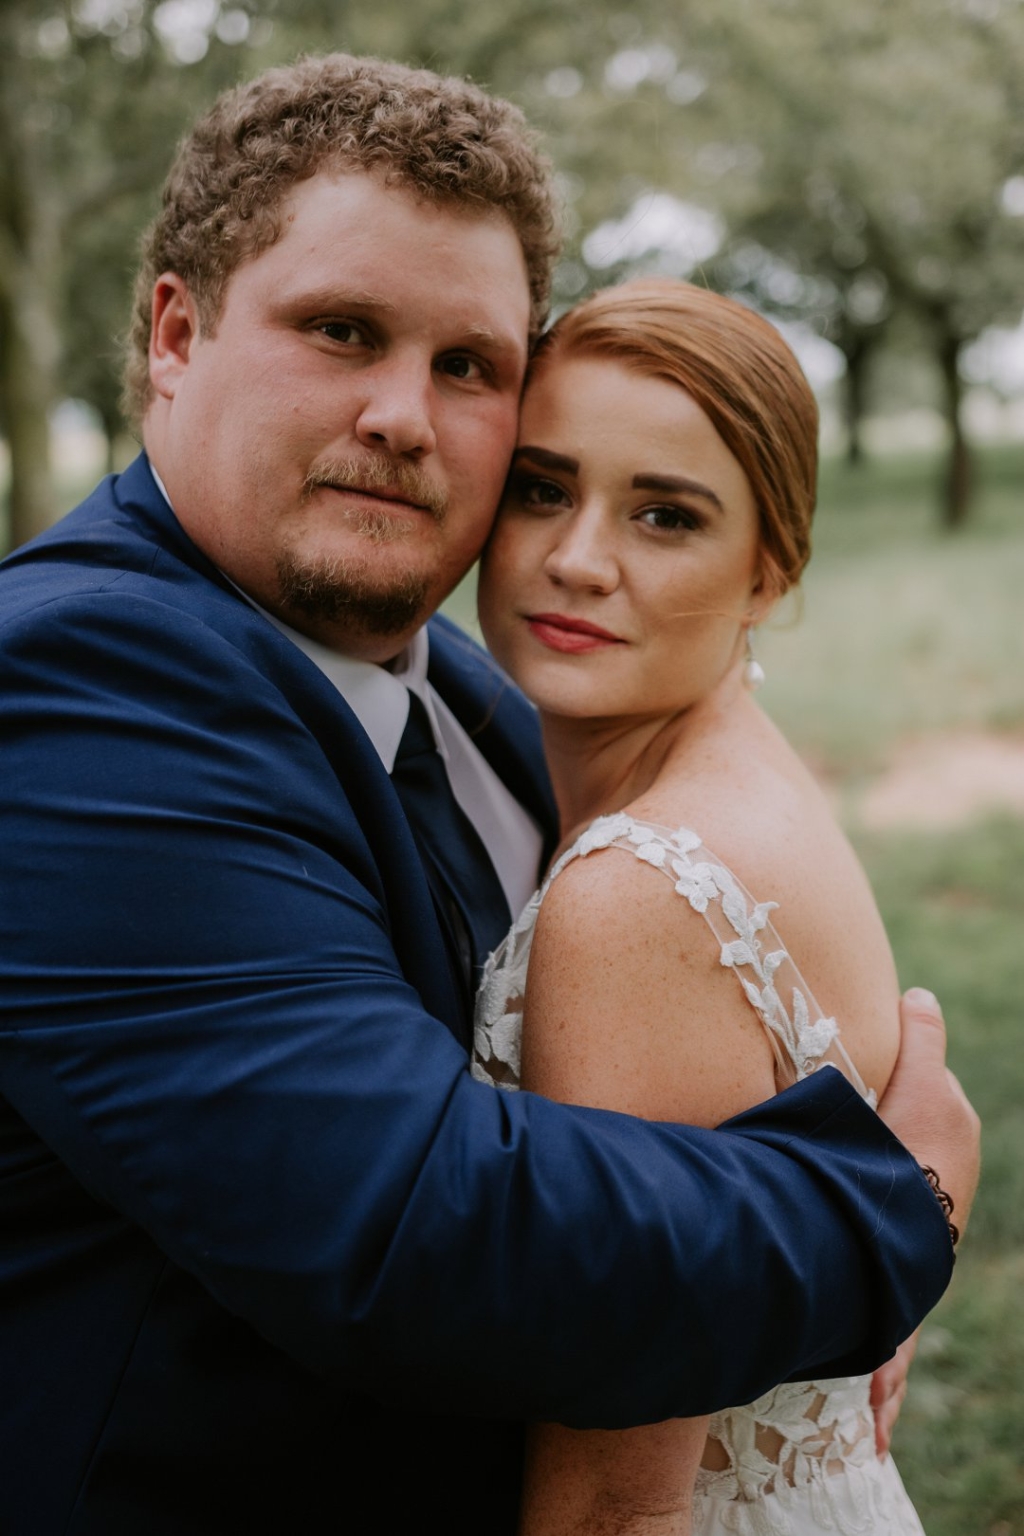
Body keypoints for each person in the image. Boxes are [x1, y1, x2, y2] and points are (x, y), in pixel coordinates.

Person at [0, 54, 976, 1536]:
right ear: (177, 335)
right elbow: (417, 1234)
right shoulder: (76, 684)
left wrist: (764, 1362)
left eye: (468, 365)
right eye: (343, 331)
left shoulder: (472, 685)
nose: (405, 415)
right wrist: (879, 1219)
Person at [472, 278, 948, 1534]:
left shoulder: (641, 894)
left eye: (664, 516)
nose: (577, 559)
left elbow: (616, 1506)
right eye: (540, 488)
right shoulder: (731, 777)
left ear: (767, 571)